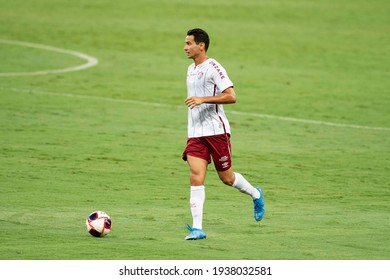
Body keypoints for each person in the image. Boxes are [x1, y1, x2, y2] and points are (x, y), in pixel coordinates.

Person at [182, 28, 265, 240]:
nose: (185, 47)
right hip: (195, 133)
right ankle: (198, 228)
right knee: (196, 176)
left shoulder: (213, 67)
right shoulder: (190, 69)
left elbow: (231, 96)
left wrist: (203, 99)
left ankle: (255, 194)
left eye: (189, 43)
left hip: (217, 132)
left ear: (201, 45)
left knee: (226, 178)